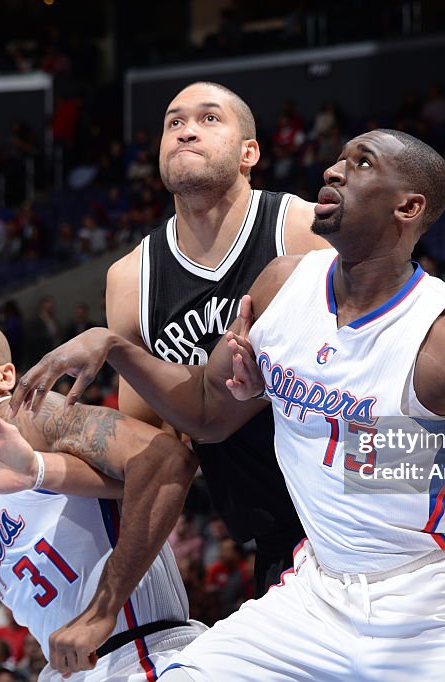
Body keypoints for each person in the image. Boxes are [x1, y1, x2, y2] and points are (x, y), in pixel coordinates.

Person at [0, 129, 445, 678]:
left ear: (407, 207)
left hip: (436, 594)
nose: (333, 169)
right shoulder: (281, 285)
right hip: (318, 587)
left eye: (361, 165)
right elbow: (209, 415)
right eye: (339, 157)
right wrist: (117, 348)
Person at [42, 82, 327, 595]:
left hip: (363, 511)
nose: (187, 130)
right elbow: (149, 449)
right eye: (174, 122)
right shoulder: (131, 279)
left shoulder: (303, 228)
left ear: (250, 153)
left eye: (209, 118)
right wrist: (36, 467)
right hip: (276, 541)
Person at [0, 312, 204, 680]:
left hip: (138, 655)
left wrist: (102, 609)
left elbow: (164, 461)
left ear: (5, 376)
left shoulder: (23, 415)